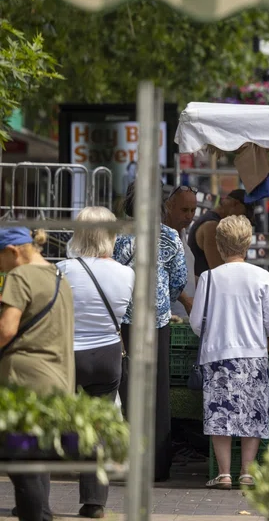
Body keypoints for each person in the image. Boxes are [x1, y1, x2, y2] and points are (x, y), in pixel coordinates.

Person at [191, 215, 269, 489]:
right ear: (248, 243)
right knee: (252, 414)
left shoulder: (208, 278)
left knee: (221, 415)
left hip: (217, 355)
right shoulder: (262, 276)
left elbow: (196, 323)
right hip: (253, 354)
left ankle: (224, 473)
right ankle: (247, 472)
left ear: (219, 246)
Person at [57, 207, 135, 518]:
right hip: (107, 355)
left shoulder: (63, 269)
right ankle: (94, 503)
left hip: (68, 355)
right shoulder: (126, 273)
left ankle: (37, 491)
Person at [113, 182, 187, 482]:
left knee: (129, 389)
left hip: (127, 320)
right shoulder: (169, 236)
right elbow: (179, 281)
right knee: (158, 391)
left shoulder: (120, 237)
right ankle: (157, 465)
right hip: (158, 321)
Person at [0, 228, 74, 521]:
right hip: (58, 378)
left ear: (14, 251)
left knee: (22, 462)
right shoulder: (58, 276)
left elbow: (7, 330)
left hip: (26, 382)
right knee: (35, 459)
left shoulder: (20, 276)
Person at [187, 189, 250, 281]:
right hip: (208, 291)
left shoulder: (212, 223)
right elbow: (220, 271)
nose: (241, 221)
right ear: (235, 204)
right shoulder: (212, 227)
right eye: (243, 215)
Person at [165, 185, 198, 317]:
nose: (189, 216)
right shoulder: (161, 237)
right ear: (169, 206)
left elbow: (186, 274)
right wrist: (185, 300)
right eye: (184, 210)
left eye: (193, 210)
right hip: (169, 320)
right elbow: (160, 274)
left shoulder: (182, 233)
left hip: (185, 319)